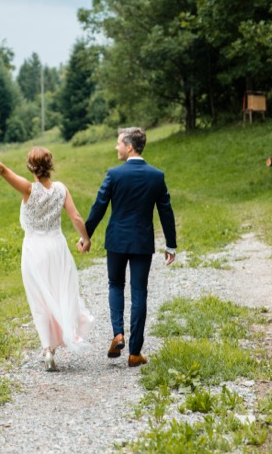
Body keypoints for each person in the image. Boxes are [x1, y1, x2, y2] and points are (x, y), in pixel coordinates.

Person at [0, 143, 94, 371]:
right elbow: (76, 217)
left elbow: (3, 170)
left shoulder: (28, 189)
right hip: (57, 247)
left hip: (35, 249)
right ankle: (59, 341)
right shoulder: (61, 189)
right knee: (60, 292)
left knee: (40, 300)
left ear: (30, 167)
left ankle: (47, 349)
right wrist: (85, 239)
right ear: (50, 166)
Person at [84, 126, 178, 368]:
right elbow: (166, 212)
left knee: (115, 284)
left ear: (129, 146)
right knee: (139, 293)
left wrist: (86, 235)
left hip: (116, 240)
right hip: (142, 242)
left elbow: (99, 207)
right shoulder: (156, 176)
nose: (116, 147)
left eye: (118, 143)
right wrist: (171, 244)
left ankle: (118, 334)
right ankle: (135, 353)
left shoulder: (114, 175)